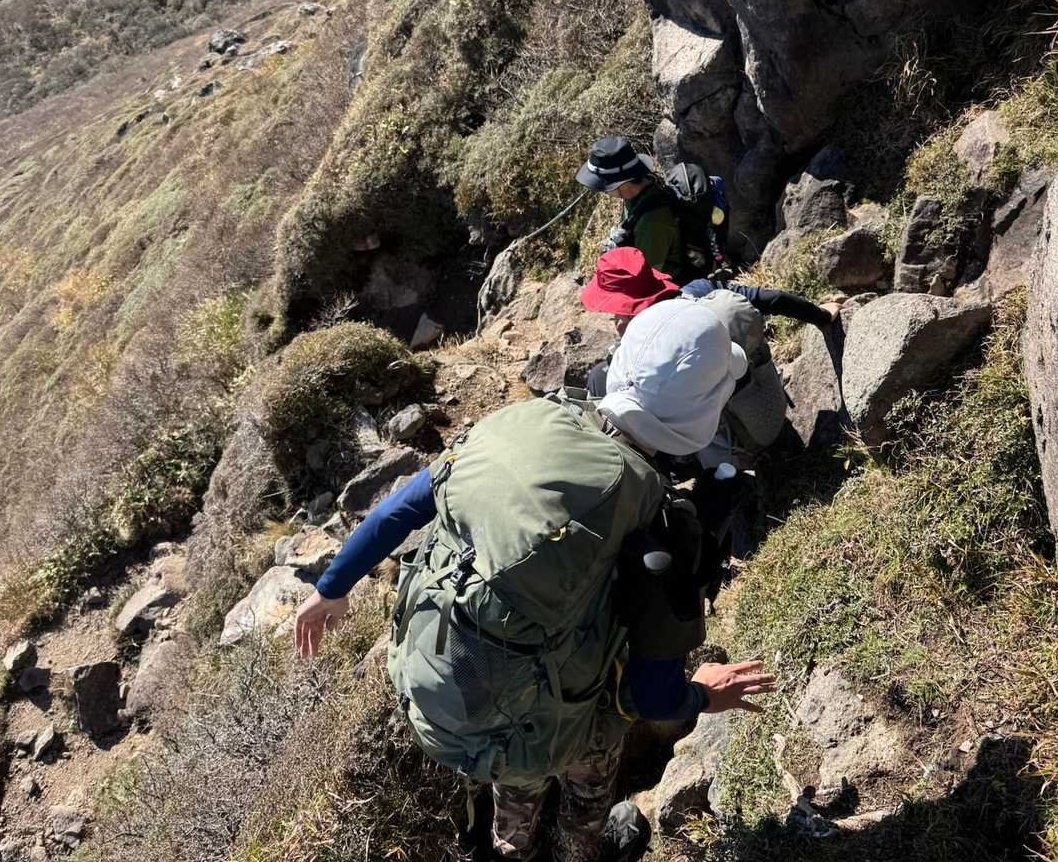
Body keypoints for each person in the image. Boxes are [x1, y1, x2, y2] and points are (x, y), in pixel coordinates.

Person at [294, 299, 777, 862]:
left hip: (436, 692)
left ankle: (511, 844)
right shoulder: (656, 520)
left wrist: (330, 589)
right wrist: (705, 692)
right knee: (592, 758)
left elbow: (397, 511)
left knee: (516, 765)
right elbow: (653, 697)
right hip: (544, 722)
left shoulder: (515, 423)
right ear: (706, 409)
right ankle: (578, 848)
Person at [580, 247, 842, 469]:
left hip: (729, 447)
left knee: (603, 381)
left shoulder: (648, 349)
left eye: (615, 312)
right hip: (767, 411)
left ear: (625, 310)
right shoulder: (701, 292)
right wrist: (820, 314)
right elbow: (769, 299)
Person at [575, 135, 687, 280]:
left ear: (622, 183)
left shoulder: (653, 220)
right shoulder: (639, 191)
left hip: (665, 286)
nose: (603, 191)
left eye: (603, 186)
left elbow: (646, 278)